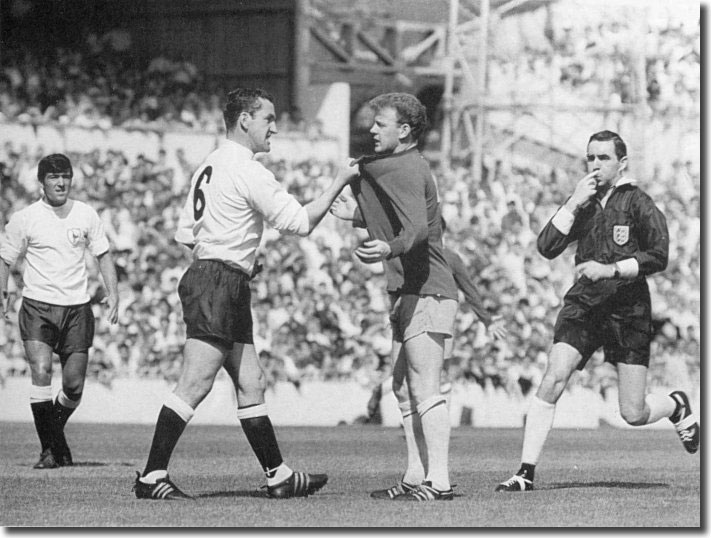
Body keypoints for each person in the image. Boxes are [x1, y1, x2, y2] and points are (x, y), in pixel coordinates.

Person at [133, 88, 354, 501]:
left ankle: (278, 475)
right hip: (218, 282)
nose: (275, 127)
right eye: (268, 119)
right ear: (245, 120)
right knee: (195, 382)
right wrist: (340, 180)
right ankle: (150, 476)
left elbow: (187, 234)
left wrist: (235, 260)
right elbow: (298, 222)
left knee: (252, 381)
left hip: (219, 277)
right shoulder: (246, 167)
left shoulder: (210, 164)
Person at [495, 130, 699, 492]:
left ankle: (675, 405)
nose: (594, 165)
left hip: (628, 310)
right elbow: (546, 247)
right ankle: (524, 473)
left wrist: (612, 269)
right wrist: (572, 202)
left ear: (622, 163)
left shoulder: (638, 202)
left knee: (632, 413)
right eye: (590, 158)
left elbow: (659, 255)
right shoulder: (583, 202)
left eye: (603, 158)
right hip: (585, 306)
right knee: (554, 377)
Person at [329, 92, 458, 501]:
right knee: (403, 388)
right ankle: (415, 475)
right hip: (409, 290)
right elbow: (398, 216)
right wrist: (358, 216)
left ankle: (440, 481)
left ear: (403, 130)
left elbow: (416, 228)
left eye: (379, 123)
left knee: (425, 385)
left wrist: (389, 248)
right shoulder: (401, 166)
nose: (371, 129)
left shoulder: (406, 166)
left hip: (428, 289)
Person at [0, 153, 119, 469]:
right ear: (42, 182)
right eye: (54, 177)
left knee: (73, 386)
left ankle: (55, 439)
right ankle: (49, 450)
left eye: (65, 176)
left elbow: (103, 255)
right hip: (38, 306)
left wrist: (114, 293)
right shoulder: (25, 218)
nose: (61, 182)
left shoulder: (85, 214)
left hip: (77, 309)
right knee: (40, 372)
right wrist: (4, 292)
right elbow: (5, 258)